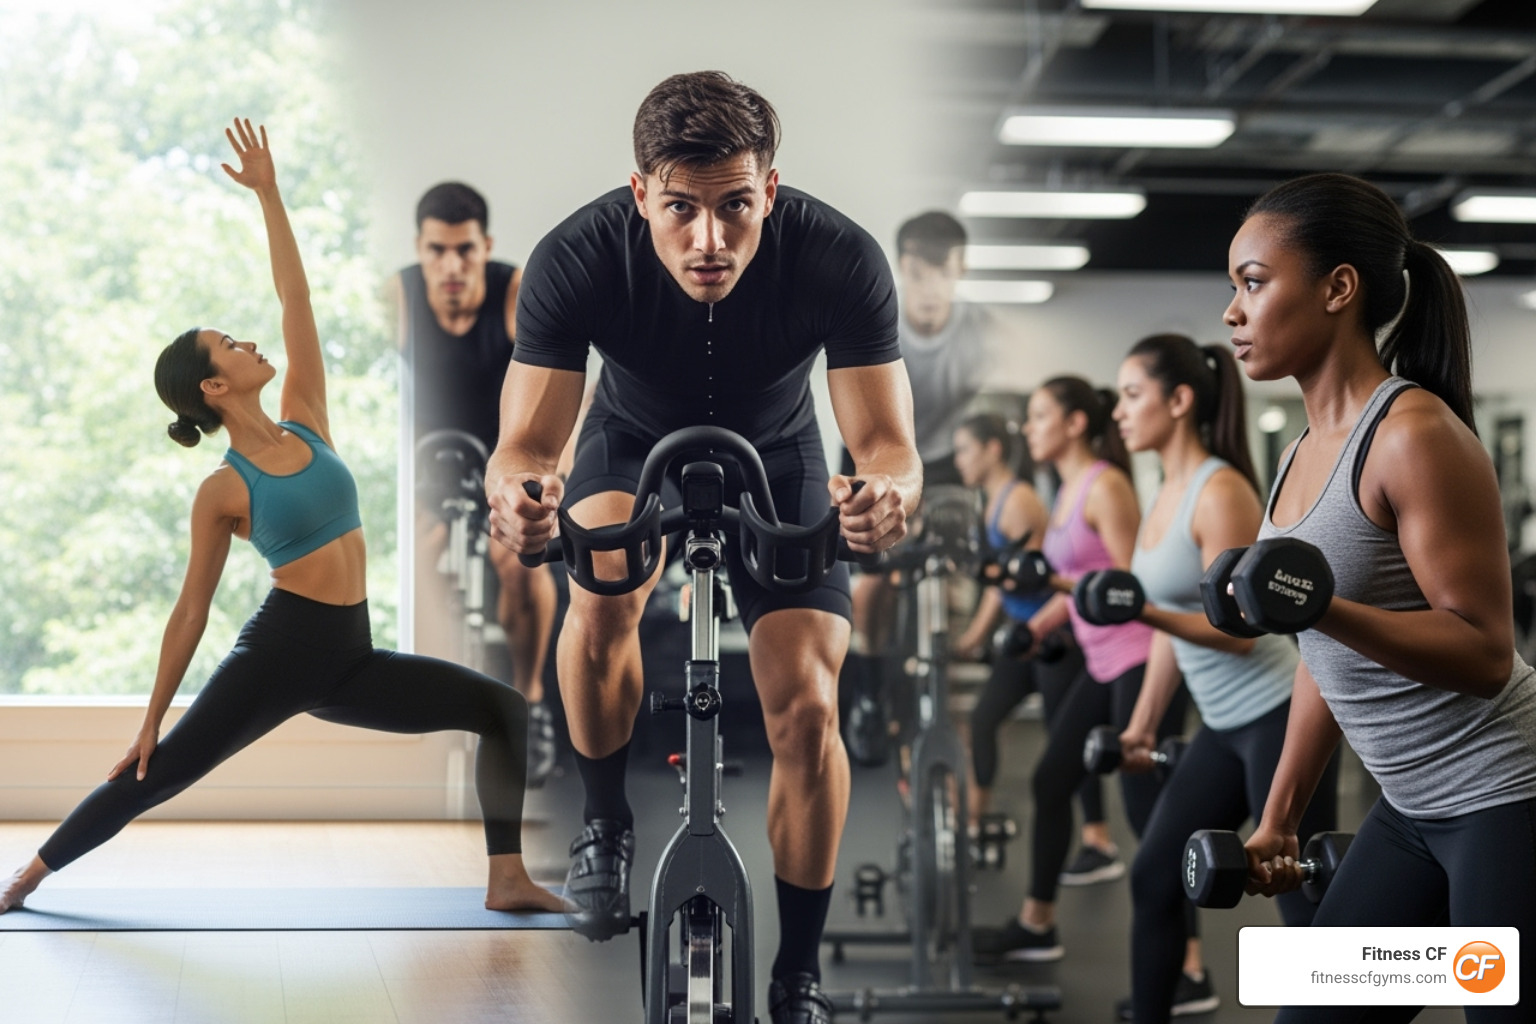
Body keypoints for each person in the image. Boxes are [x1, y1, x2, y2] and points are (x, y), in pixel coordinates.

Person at [0, 120, 561, 918]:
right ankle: (25, 878)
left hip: (350, 654)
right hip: (282, 652)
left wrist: (269, 194)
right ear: (214, 388)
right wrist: (151, 719)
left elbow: (295, 298)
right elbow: (190, 610)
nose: (249, 342)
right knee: (157, 772)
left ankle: (506, 879)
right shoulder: (223, 489)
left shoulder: (307, 419)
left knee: (500, 709)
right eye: (230, 345)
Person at [483, 72, 920, 1024]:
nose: (710, 240)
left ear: (772, 188)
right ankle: (606, 820)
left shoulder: (839, 256)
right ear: (641, 193)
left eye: (737, 207)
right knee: (599, 593)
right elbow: (524, 448)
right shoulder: (577, 257)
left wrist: (889, 493)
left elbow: (889, 446)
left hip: (780, 454)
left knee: (808, 705)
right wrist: (519, 498)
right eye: (681, 207)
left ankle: (797, 972)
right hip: (630, 442)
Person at [1223, 172, 1536, 1024]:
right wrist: (1279, 815)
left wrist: (1316, 606)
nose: (1233, 311)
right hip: (1408, 811)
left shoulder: (1413, 435)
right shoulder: (1298, 454)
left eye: (1254, 282)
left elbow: (1484, 654)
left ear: (1338, 288)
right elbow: (1324, 655)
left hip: (1503, 798)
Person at [1110, 333, 1340, 1022]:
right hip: (1220, 725)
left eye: (1131, 395)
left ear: (1179, 401)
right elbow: (1168, 623)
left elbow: (1240, 634)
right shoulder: (1163, 491)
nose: (1118, 412)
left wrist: (1144, 610)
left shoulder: (1220, 491)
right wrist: (1143, 723)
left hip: (1275, 717)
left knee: (1303, 912)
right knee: (1155, 876)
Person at [974, 376, 1183, 962]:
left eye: (1039, 415)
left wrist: (1056, 590)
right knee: (1051, 780)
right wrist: (1038, 626)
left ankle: (1190, 965)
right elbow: (1078, 583)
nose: (1028, 428)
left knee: (1149, 816)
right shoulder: (1066, 491)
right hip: (1101, 660)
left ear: (1074, 424)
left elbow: (1132, 584)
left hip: (1138, 658)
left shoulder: (1105, 486)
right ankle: (1037, 924)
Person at [396, 182, 559, 784]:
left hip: (506, 458)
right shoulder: (396, 299)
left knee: (519, 561)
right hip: (427, 464)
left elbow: (561, 395)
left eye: (465, 250)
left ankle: (531, 703)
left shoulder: (517, 294)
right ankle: (435, 702)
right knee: (414, 558)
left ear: (485, 247)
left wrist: (544, 475)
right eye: (437, 251)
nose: (452, 267)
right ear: (420, 248)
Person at [843, 212, 993, 765]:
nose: (930, 287)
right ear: (903, 269)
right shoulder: (874, 319)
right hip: (875, 452)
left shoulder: (981, 337)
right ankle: (870, 687)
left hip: (947, 467)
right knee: (872, 579)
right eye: (918, 273)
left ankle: (949, 687)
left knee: (957, 565)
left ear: (960, 270)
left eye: (942, 272)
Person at [948, 413, 1082, 831]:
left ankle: (1096, 834)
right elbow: (999, 585)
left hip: (1053, 636)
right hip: (1023, 637)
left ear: (993, 449)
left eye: (964, 450)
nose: (958, 460)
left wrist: (998, 587)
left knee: (1065, 738)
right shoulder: (991, 502)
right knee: (983, 719)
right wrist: (972, 638)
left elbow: (1038, 573)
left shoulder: (1019, 501)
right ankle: (975, 818)